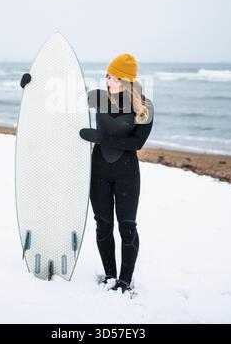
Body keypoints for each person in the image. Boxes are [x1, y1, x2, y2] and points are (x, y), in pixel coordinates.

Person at [20, 53, 154, 295]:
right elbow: (59, 102)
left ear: (126, 80)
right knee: (102, 225)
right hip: (99, 171)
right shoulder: (98, 98)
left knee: (127, 228)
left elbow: (137, 143)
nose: (107, 81)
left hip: (127, 174)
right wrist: (33, 84)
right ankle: (110, 276)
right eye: (106, 76)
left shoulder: (144, 106)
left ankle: (125, 280)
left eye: (113, 77)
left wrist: (102, 138)